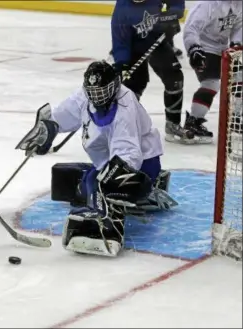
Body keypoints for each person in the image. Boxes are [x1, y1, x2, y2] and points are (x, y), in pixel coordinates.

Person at [16, 61, 178, 257]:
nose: (97, 97)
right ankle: (128, 194)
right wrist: (48, 130)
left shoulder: (125, 106)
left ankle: (109, 226)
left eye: (102, 91)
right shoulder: (86, 95)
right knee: (84, 185)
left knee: (101, 185)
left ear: (115, 86)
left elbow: (129, 154)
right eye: (93, 92)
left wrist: (107, 180)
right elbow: (63, 115)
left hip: (142, 162)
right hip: (108, 160)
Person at [111, 0, 194, 144]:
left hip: (156, 39)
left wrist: (172, 15)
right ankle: (126, 127)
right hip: (134, 46)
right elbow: (120, 41)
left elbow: (177, 3)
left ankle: (172, 125)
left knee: (175, 78)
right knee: (134, 85)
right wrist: (122, 64)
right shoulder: (122, 9)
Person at [183, 0, 242, 143]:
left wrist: (236, 43)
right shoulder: (207, 4)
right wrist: (194, 49)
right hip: (204, 47)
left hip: (223, 50)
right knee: (211, 83)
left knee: (239, 78)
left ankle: (236, 117)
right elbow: (191, 28)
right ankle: (193, 121)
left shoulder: (239, 4)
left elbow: (239, 25)